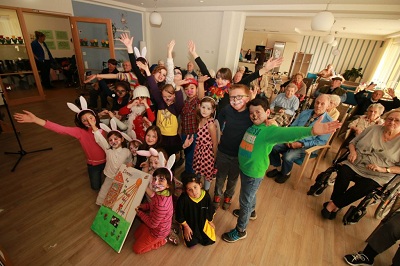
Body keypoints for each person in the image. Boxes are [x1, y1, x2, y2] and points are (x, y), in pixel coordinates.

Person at [221, 97, 341, 243]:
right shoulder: (254, 125)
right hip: (246, 170)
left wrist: (311, 131)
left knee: (245, 199)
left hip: (254, 172)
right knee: (249, 195)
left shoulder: (270, 130)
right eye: (251, 112)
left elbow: (288, 134)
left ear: (267, 112)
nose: (254, 115)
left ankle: (240, 230)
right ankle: (250, 212)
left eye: (258, 112)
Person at [13, 96, 106, 190]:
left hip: (109, 161)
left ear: (95, 117)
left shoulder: (104, 128)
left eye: (91, 117)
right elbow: (61, 129)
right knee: (95, 187)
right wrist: (36, 120)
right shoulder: (80, 132)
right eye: (84, 120)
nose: (89, 121)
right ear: (81, 123)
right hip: (94, 165)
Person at [321, 109, 400, 220]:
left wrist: (383, 169)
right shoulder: (373, 129)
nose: (392, 122)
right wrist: (352, 152)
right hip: (357, 163)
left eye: (397, 120)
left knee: (365, 186)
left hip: (378, 174)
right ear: (385, 119)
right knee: (343, 172)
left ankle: (333, 205)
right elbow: (353, 142)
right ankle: (337, 204)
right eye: (390, 119)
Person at [267, 94, 333, 184]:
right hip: (292, 139)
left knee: (288, 156)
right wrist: (288, 139)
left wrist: (301, 144)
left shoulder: (328, 122)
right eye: (317, 102)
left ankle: (286, 173)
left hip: (307, 147)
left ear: (328, 106)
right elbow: (293, 127)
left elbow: (320, 142)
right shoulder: (305, 112)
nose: (318, 105)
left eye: (322, 104)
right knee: (272, 145)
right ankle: (278, 168)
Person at [89, 120, 132, 206]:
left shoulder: (126, 151)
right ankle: (101, 203)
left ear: (122, 139)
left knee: (118, 192)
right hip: (109, 175)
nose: (113, 141)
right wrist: (93, 126)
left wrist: (129, 166)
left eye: (116, 139)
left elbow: (129, 161)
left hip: (121, 177)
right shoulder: (108, 149)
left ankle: (114, 205)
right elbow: (100, 139)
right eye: (110, 140)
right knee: (104, 190)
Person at [133, 167, 174, 254]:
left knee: (137, 249)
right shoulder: (164, 192)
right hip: (156, 223)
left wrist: (140, 213)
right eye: (155, 179)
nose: (155, 182)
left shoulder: (161, 206)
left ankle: (161, 241)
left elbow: (152, 224)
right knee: (136, 234)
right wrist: (144, 206)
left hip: (158, 232)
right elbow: (154, 201)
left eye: (161, 180)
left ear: (168, 185)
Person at [185, 97, 218, 191]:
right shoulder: (199, 119)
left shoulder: (211, 124)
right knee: (198, 171)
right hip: (198, 150)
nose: (205, 110)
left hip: (208, 153)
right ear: (199, 107)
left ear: (213, 110)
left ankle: (206, 190)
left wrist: (215, 158)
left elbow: (215, 143)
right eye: (203, 107)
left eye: (208, 108)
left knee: (207, 174)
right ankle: (198, 188)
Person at [176, 173, 216, 248]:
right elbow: (179, 214)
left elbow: (210, 209)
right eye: (189, 190)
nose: (194, 192)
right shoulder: (183, 199)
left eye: (195, 187)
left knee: (209, 241)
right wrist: (186, 227)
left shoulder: (206, 195)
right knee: (191, 244)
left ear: (200, 185)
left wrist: (210, 221)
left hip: (202, 221)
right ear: (186, 190)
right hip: (189, 223)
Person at [180, 77, 205, 174]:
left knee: (192, 158)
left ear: (196, 89)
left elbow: (202, 98)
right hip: (184, 133)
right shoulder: (185, 102)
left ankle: (192, 177)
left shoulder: (197, 101)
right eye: (186, 89)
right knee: (187, 156)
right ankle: (187, 173)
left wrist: (201, 83)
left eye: (192, 88)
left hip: (194, 134)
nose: (189, 91)